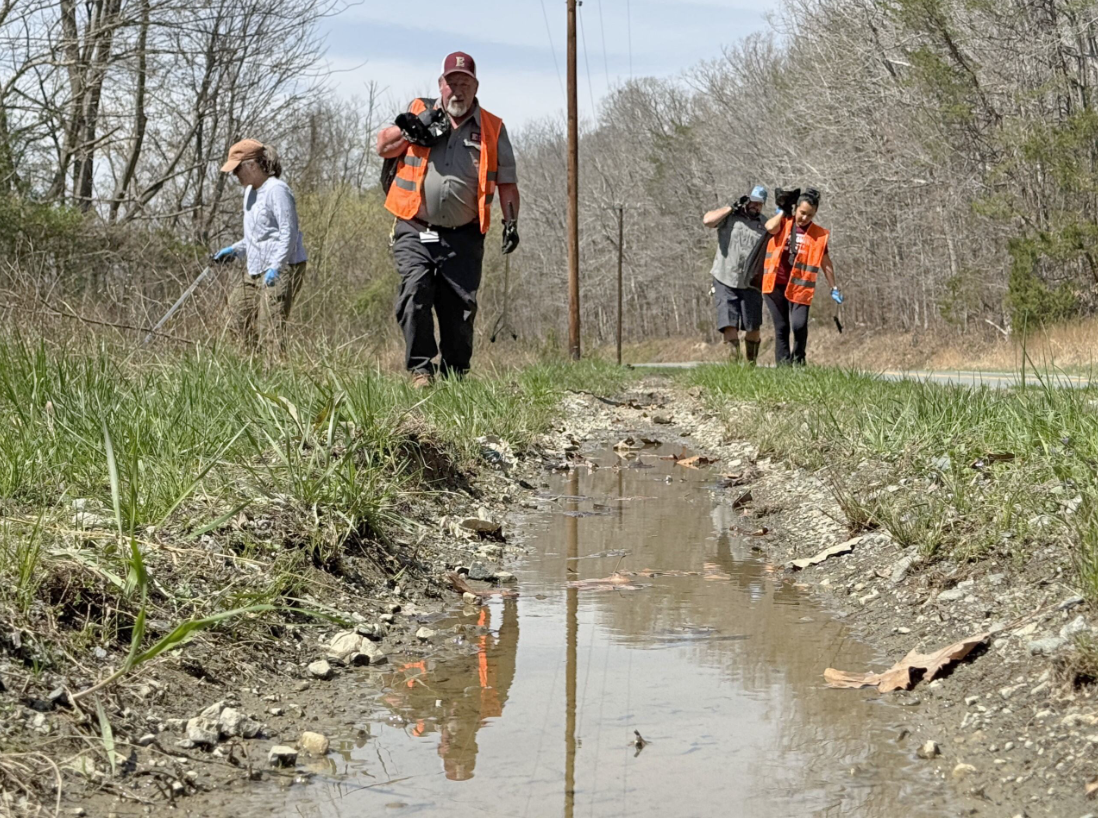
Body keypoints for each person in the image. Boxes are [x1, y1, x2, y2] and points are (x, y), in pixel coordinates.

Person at [375, 51, 521, 388]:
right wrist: (416, 130)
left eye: (464, 83)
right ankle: (421, 370)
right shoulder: (418, 112)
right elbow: (383, 147)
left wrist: (511, 222)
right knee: (415, 290)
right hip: (415, 227)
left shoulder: (492, 128)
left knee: (460, 311)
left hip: (464, 236)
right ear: (441, 85)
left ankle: (455, 376)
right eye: (451, 82)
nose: (457, 90)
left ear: (475, 87)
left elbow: (507, 184)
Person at [212, 139, 307, 356]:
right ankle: (252, 367)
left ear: (252, 165)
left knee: (270, 328)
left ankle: (275, 376)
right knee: (235, 319)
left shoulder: (277, 190)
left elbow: (288, 233)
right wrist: (234, 250)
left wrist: (277, 266)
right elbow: (257, 236)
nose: (235, 175)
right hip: (254, 270)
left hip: (283, 268)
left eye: (237, 169)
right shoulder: (249, 193)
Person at [761, 187, 842, 365]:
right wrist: (782, 212)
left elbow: (825, 262)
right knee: (781, 327)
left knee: (799, 325)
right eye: (802, 212)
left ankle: (799, 360)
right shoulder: (783, 223)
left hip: (800, 286)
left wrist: (833, 287)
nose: (804, 218)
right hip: (775, 284)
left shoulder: (818, 235)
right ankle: (783, 367)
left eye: (810, 215)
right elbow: (769, 227)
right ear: (796, 208)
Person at [702, 185, 769, 364]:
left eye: (760, 204)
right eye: (753, 202)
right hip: (724, 277)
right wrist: (731, 207)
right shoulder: (729, 217)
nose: (756, 206)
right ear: (747, 200)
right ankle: (733, 365)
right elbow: (708, 221)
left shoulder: (764, 224)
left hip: (751, 282)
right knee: (728, 323)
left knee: (753, 326)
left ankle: (751, 364)